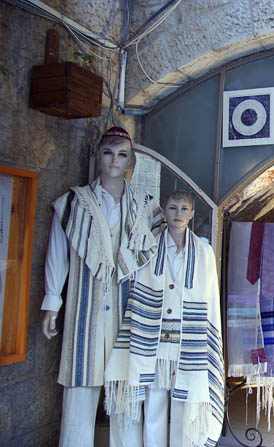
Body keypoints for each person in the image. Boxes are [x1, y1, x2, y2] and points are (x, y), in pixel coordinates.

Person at [40, 127, 160, 446]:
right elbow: (58, 254)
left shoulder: (145, 206)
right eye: (108, 153)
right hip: (85, 313)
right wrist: (52, 301)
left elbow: (158, 259)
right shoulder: (73, 204)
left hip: (128, 312)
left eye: (122, 154)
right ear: (99, 156)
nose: (114, 161)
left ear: (130, 160)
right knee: (79, 395)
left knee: (127, 399)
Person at [104, 190, 225, 447]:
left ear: (192, 214)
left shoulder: (203, 252)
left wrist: (207, 342)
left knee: (185, 411)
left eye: (184, 209)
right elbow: (127, 276)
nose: (178, 214)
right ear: (164, 211)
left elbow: (211, 300)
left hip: (187, 344)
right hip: (154, 343)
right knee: (154, 410)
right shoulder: (148, 246)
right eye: (172, 208)